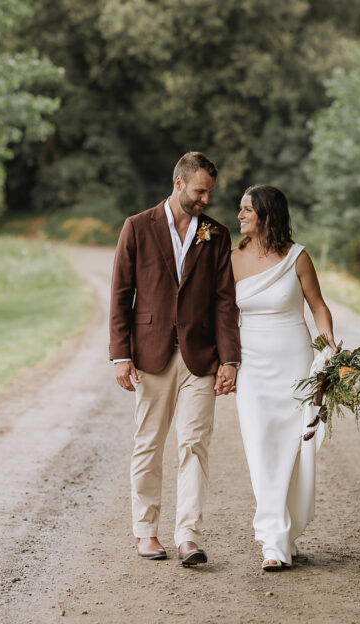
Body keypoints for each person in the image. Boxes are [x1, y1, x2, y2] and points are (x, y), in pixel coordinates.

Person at [109, 151, 240, 566]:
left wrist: (230, 359)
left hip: (201, 357)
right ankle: (146, 532)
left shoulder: (216, 235)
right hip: (151, 355)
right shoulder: (137, 226)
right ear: (179, 183)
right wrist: (120, 354)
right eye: (200, 191)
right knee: (148, 444)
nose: (205, 200)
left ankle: (188, 536)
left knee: (194, 444)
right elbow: (120, 293)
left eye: (210, 193)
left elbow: (225, 302)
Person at [230, 184, 335, 571]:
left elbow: (318, 307)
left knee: (292, 450)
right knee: (261, 448)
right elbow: (228, 318)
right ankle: (272, 542)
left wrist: (331, 348)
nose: (239, 216)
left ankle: (285, 536)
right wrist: (226, 362)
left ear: (266, 214)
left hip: (294, 363)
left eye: (246, 210)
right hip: (253, 367)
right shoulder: (233, 259)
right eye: (239, 209)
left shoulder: (298, 257)